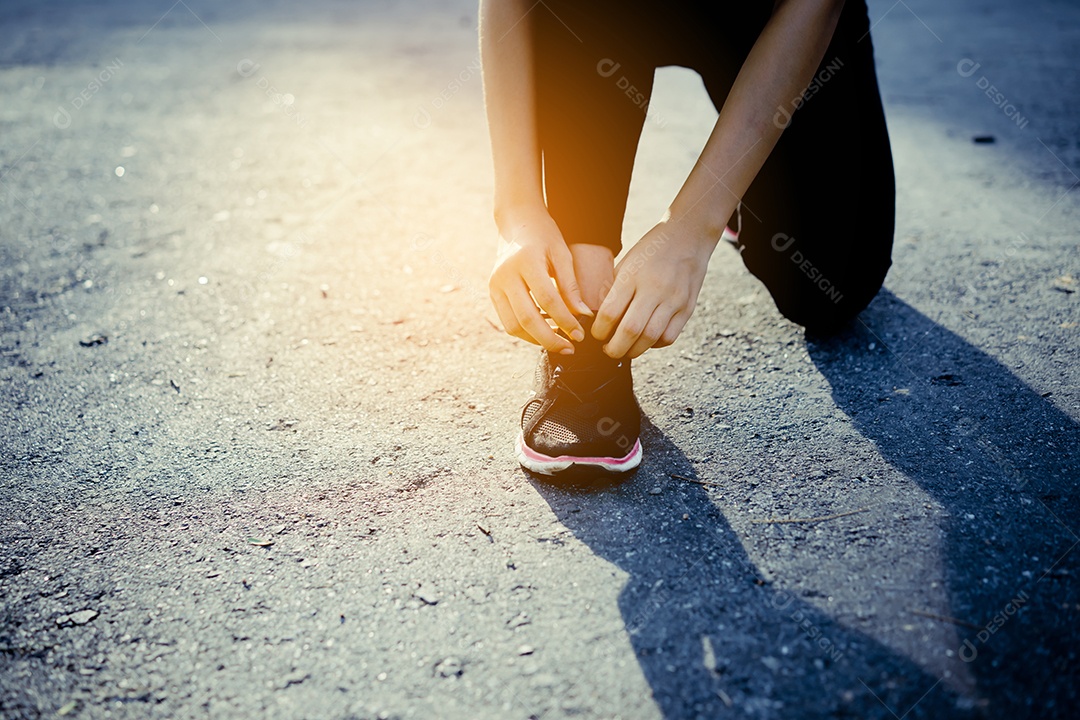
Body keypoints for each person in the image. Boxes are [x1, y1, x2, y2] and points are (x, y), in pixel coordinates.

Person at [480, 0, 895, 475]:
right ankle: (585, 314)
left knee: (829, 287)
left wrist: (693, 227)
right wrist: (516, 209)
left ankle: (748, 198)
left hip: (767, 15)